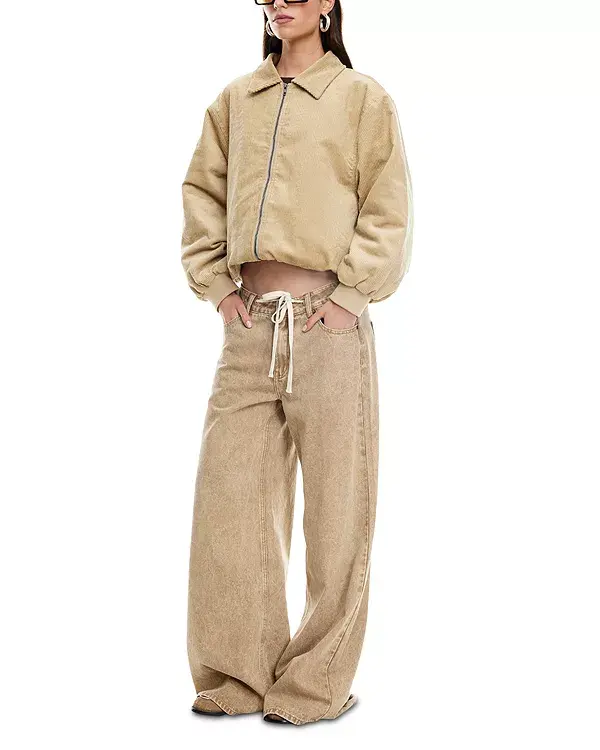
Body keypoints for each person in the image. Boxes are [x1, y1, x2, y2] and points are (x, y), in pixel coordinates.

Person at [180, 0, 413, 726]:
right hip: (250, 327)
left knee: (337, 514)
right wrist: (220, 291)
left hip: (328, 326)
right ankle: (238, 674)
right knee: (231, 504)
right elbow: (203, 194)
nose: (279, 1)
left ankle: (314, 684)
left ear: (328, 4)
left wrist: (350, 298)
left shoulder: (361, 99)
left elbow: (387, 208)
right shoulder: (235, 101)